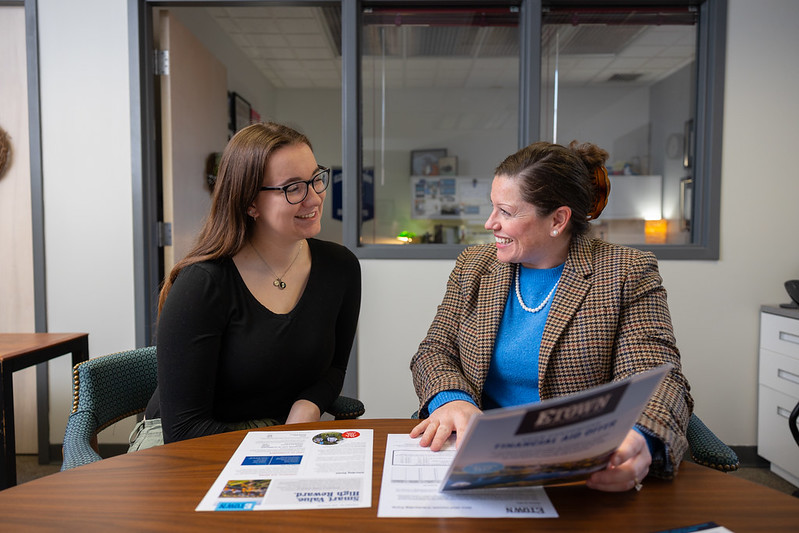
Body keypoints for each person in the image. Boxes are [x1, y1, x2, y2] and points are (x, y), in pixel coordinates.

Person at [409, 140, 693, 492]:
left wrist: (640, 440)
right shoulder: (474, 266)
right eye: (492, 208)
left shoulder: (625, 272)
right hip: (476, 458)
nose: (490, 223)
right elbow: (434, 351)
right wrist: (453, 399)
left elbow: (657, 376)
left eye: (506, 212)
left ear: (558, 219)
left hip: (576, 475)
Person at [130, 122, 361, 450]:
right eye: (293, 187)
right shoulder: (204, 284)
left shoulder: (341, 268)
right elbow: (183, 429)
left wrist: (308, 404)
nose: (314, 197)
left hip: (277, 432)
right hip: (185, 444)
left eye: (316, 179)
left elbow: (336, 367)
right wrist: (277, 443)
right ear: (250, 203)